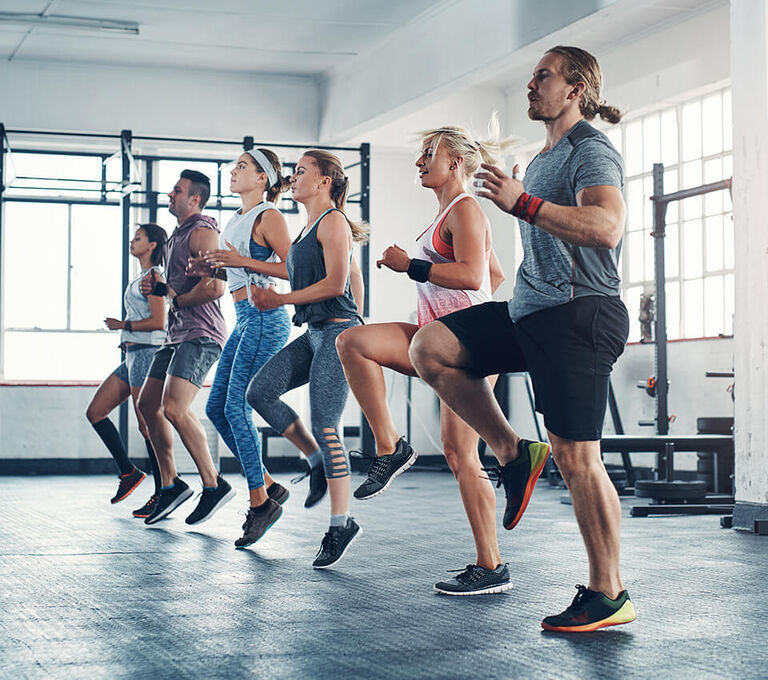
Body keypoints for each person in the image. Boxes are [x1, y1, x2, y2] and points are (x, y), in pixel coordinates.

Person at [409, 46, 636, 631]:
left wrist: (523, 202)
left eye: (543, 75)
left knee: (580, 458)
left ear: (576, 88)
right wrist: (522, 193)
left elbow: (607, 228)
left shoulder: (590, 150)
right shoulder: (542, 159)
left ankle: (608, 595)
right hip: (530, 312)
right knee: (431, 347)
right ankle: (514, 453)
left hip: (579, 315)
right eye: (533, 75)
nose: (531, 84)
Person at [336, 120, 521, 595]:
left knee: (461, 455)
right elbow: (493, 274)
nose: (420, 162)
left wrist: (411, 266)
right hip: (434, 334)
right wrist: (452, 300)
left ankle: (491, 565)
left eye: (428, 154)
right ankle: (390, 446)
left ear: (454, 162)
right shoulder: (447, 215)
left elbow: (472, 274)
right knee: (353, 342)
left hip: (465, 345)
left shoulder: (466, 209)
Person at [247, 149, 366, 568]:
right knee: (259, 391)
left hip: (336, 333)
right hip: (314, 333)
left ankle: (340, 524)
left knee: (326, 424)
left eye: (301, 172)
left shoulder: (334, 222)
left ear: (324, 182)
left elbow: (337, 284)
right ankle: (315, 460)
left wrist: (279, 300)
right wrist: (249, 267)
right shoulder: (304, 231)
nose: (293, 178)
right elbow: (344, 278)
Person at [196, 148, 292, 547]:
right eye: (233, 165)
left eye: (242, 167)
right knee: (216, 407)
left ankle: (260, 503)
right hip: (244, 317)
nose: (232, 172)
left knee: (236, 407)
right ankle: (268, 483)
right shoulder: (236, 218)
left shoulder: (269, 216)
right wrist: (214, 268)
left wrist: (241, 261)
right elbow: (237, 269)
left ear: (263, 178)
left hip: (266, 316)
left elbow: (294, 269)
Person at [137, 170, 233, 526]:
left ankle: (213, 485)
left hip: (201, 333)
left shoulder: (202, 232)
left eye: (177, 190)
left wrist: (173, 300)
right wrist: (162, 291)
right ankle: (171, 484)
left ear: (194, 198)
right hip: (177, 335)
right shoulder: (177, 235)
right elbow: (177, 292)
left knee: (174, 409)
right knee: (147, 405)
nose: (170, 194)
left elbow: (216, 287)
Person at [85, 223, 167, 516]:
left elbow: (160, 321)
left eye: (138, 238)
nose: (132, 242)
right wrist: (126, 336)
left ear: (153, 245)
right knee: (95, 412)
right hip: (132, 355)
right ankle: (128, 473)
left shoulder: (154, 276)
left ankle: (163, 494)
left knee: (147, 426)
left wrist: (125, 326)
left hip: (147, 354)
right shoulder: (141, 277)